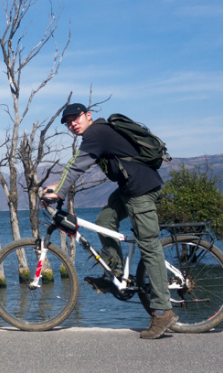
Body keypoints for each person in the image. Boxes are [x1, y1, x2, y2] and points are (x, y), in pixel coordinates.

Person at [42, 103, 177, 339]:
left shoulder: (96, 133)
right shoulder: (97, 135)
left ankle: (162, 310)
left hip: (141, 190)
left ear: (88, 116)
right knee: (105, 220)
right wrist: (57, 186)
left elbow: (76, 165)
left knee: (149, 246)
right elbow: (76, 168)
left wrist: (59, 192)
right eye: (68, 122)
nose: (73, 124)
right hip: (129, 189)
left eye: (76, 118)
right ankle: (113, 274)